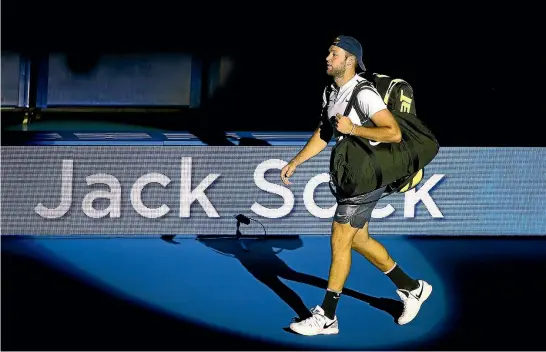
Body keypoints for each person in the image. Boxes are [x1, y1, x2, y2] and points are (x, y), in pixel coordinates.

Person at [280, 35, 432, 336]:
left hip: (368, 174)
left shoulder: (364, 94)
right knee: (358, 239)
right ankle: (411, 287)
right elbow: (324, 133)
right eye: (328, 52)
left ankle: (327, 316)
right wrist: (296, 162)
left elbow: (393, 133)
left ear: (349, 60)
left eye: (333, 54)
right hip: (353, 173)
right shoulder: (330, 92)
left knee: (340, 238)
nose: (327, 58)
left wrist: (354, 129)